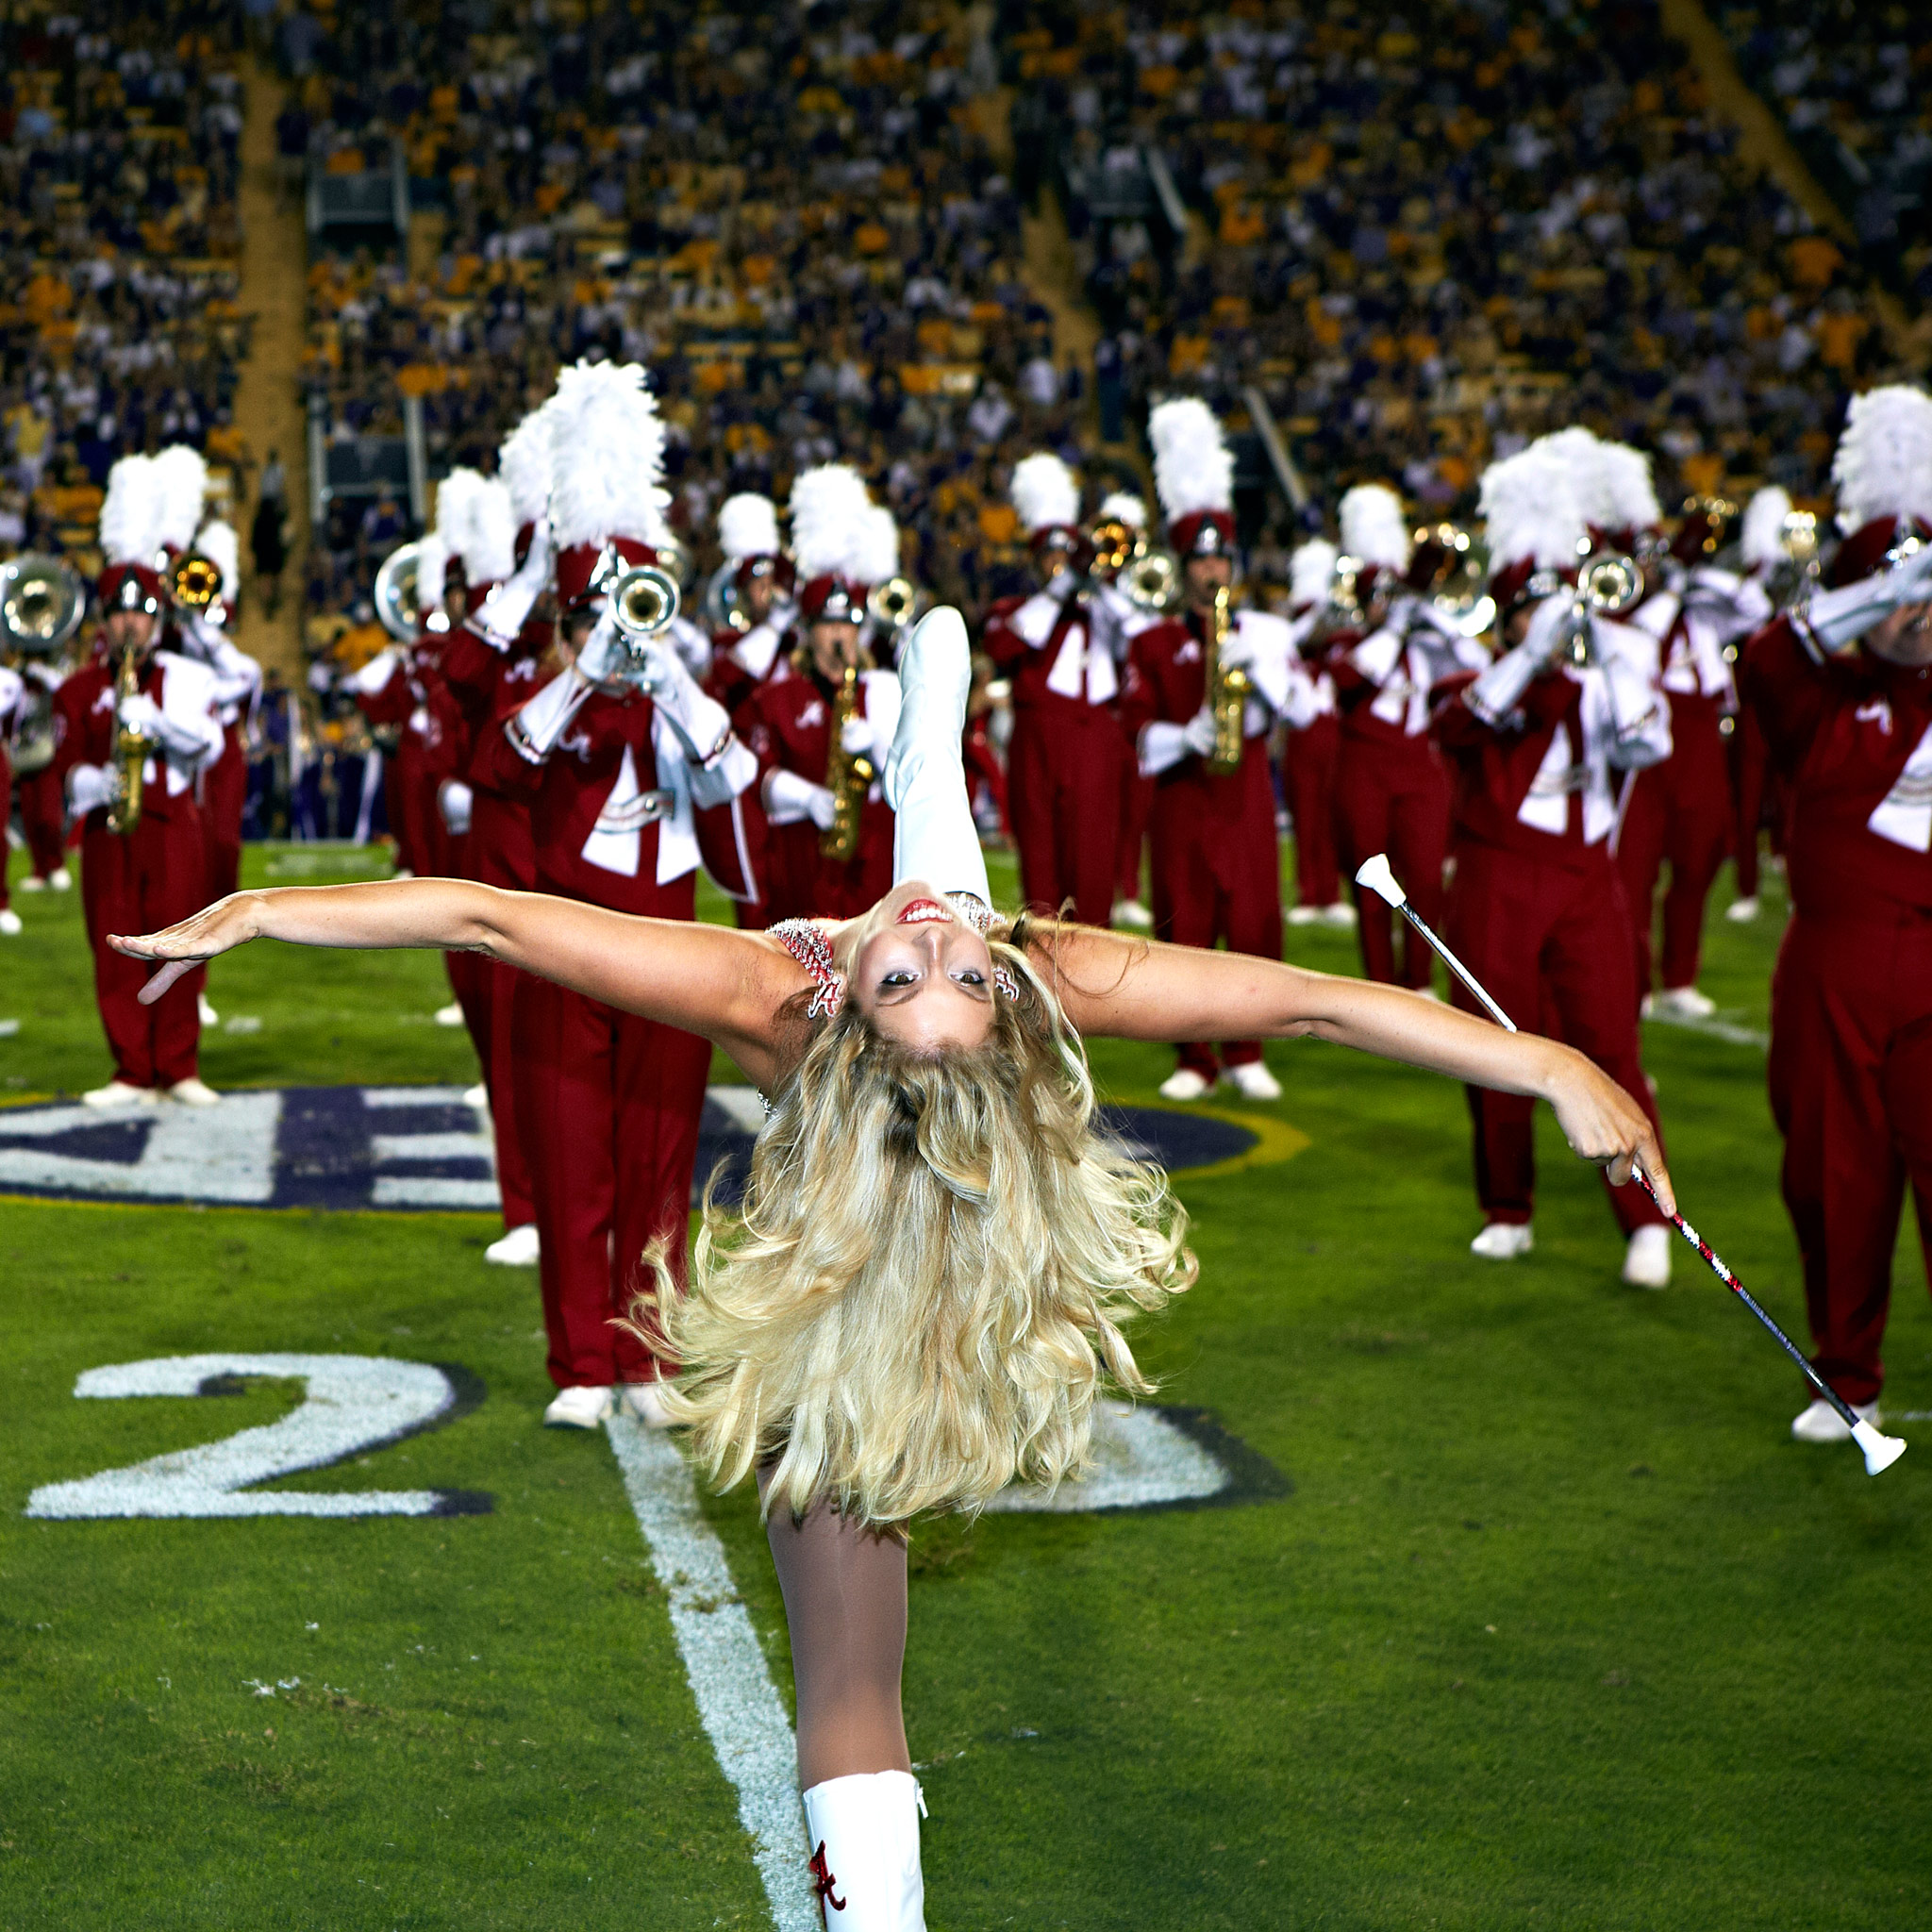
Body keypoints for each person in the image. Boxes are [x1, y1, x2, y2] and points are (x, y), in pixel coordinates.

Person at [114, 606, 1671, 1932]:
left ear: (848, 1010)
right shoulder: (1021, 976)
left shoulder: (780, 988)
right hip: (912, 1254)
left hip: (873, 1303)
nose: (928, 931)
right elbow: (1317, 1005)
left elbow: (493, 913)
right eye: (954, 967)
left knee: (848, 1656)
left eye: (920, 964)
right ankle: (929, 713)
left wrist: (264, 906)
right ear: (1001, 1008)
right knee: (934, 803)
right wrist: (1540, 1060)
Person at [1430, 443, 1676, 1287]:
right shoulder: (1485, 677)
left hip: (1585, 879)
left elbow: (1651, 739)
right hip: (1500, 875)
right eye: (1530, 609)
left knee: (1612, 1043)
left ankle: (1645, 1217)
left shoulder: (1611, 668)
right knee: (1493, 1042)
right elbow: (1460, 727)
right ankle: (1507, 1207)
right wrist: (1535, 654)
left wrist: (1599, 649)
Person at [1740, 384, 1932, 1445]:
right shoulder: (1817, 690)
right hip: (1830, 967)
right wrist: (1871, 597)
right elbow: (1765, 662)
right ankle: (1843, 1371)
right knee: (1831, 1181)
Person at [1124, 397, 1312, 1101]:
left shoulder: (1265, 629)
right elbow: (1136, 737)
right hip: (1182, 796)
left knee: (1256, 917)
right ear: (1182, 565)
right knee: (1184, 924)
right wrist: (1186, 735)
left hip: (1245, 791)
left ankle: (1247, 1048)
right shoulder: (1152, 640)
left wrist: (1258, 665)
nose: (1211, 571)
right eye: (1198, 561)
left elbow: (1305, 708)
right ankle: (1194, 1056)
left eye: (1219, 558)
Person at [55, 454, 224, 1107]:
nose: (130, 625)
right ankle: (130, 1068)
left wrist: (154, 722)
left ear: (157, 620)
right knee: (114, 942)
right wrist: (88, 786)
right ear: (104, 621)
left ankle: (179, 1065)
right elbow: (62, 768)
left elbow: (208, 744)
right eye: (119, 614)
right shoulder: (78, 688)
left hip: (172, 823)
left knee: (185, 940)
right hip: (109, 829)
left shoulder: (186, 677)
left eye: (142, 614)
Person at [1618, 490, 1771, 1018]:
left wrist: (1694, 576)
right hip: (1647, 743)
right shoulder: (1636, 611)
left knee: (1697, 861)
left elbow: (1757, 606)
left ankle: (1678, 979)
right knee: (1632, 870)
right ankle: (1632, 984)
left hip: (1703, 738)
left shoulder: (1707, 607)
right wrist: (1666, 593)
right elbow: (1644, 633)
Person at [1326, 485, 1487, 986]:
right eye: (1379, 598)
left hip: (1420, 767)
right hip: (1364, 768)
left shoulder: (1423, 645)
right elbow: (1351, 681)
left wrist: (1429, 615)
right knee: (1372, 887)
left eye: (1392, 597)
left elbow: (1479, 664)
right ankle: (1379, 987)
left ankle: (1417, 983)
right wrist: (1394, 629)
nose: (1388, 606)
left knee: (1424, 880)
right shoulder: (1347, 643)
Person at [738, 465, 901, 924]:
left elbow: (913, 778)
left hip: (874, 847)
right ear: (808, 631)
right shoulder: (777, 696)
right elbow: (756, 774)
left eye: (847, 623)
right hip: (801, 847)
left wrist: (878, 749)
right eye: (827, 623)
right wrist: (806, 796)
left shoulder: (885, 688)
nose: (839, 634)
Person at [980, 453, 1125, 929]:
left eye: (1068, 556)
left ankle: (1096, 977)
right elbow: (1002, 643)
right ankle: (1040, 972)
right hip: (1037, 741)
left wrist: (1100, 583)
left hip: (1094, 741)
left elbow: (1137, 639)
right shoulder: (1019, 607)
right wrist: (1060, 590)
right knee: (1040, 868)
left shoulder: (1102, 609)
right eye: (1050, 556)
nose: (1060, 565)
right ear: (1035, 561)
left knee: (1092, 865)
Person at [1279, 536, 1354, 929]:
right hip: (1304, 733)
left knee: (1332, 816)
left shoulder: (1338, 647)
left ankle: (1331, 893)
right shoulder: (1293, 639)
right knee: (1306, 815)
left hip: (1336, 731)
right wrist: (1319, 612)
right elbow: (1298, 636)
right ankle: (1309, 892)